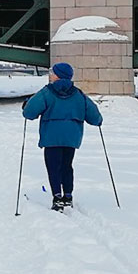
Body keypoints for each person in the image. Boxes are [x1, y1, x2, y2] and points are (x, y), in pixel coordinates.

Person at [22, 62, 103, 211]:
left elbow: (29, 113)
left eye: (53, 73)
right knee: (67, 166)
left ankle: (57, 198)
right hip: (72, 138)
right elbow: (94, 116)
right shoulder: (78, 94)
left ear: (58, 75)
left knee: (53, 167)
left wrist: (26, 105)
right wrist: (98, 121)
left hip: (52, 137)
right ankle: (68, 196)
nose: (51, 75)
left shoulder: (47, 92)